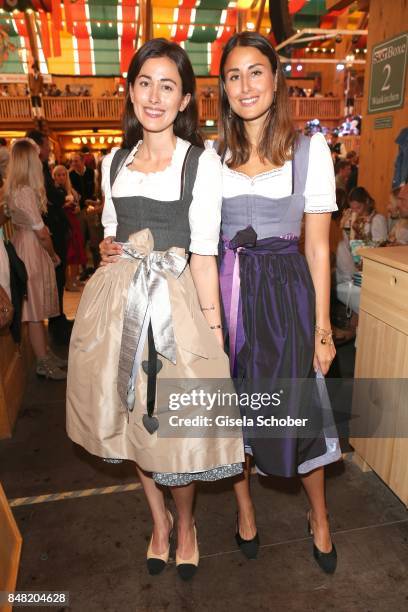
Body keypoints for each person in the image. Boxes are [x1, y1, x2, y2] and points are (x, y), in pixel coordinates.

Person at [67, 38, 244, 581]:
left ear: (186, 99)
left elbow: (205, 255)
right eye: (145, 82)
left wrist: (214, 336)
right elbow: (110, 237)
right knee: (133, 426)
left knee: (177, 429)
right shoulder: (112, 161)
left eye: (168, 85)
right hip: (118, 308)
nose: (155, 95)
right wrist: (107, 248)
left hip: (175, 312)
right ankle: (159, 524)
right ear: (131, 90)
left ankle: (186, 523)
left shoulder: (201, 162)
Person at [217, 32, 340, 573]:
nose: (245, 85)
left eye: (255, 72)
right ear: (223, 88)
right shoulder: (211, 154)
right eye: (233, 75)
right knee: (235, 414)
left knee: (298, 410)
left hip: (286, 299)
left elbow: (317, 246)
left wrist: (323, 328)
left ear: (275, 78)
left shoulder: (310, 151)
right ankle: (245, 510)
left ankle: (320, 516)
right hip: (226, 296)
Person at [3, 139, 66, 379]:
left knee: (36, 309)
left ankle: (45, 354)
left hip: (23, 242)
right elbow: (41, 232)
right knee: (35, 309)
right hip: (31, 247)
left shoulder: (15, 189)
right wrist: (52, 255)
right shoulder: (26, 192)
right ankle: (43, 362)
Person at [26, 129, 72, 345]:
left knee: (58, 278)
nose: (49, 148)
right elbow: (51, 196)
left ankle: (59, 319)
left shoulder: (42, 168)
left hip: (53, 229)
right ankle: (56, 323)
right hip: (47, 231)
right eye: (47, 145)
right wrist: (61, 193)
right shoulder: (35, 172)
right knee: (55, 277)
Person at [52, 165, 87, 291]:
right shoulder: (53, 191)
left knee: (77, 251)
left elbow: (77, 206)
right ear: (54, 176)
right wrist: (66, 204)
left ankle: (73, 280)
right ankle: (68, 283)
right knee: (68, 254)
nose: (61, 177)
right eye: (58, 175)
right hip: (62, 224)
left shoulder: (70, 189)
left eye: (63, 174)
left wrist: (76, 207)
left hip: (73, 222)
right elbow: (54, 209)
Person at [69, 152, 99, 272]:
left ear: (82, 161)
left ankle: (97, 268)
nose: (74, 163)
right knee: (81, 240)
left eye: (76, 161)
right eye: (72, 161)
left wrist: (93, 201)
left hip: (92, 209)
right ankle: (84, 269)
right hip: (79, 211)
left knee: (94, 240)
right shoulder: (70, 175)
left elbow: (97, 190)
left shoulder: (93, 173)